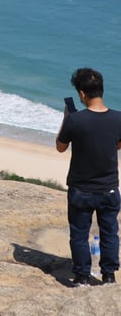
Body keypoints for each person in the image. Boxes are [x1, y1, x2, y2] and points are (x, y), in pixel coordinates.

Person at [56, 67, 121, 286]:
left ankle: (83, 276)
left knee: (79, 234)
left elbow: (60, 147)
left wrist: (66, 120)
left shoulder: (76, 121)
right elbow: (118, 145)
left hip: (81, 189)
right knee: (110, 232)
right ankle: (109, 275)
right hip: (109, 188)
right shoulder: (118, 118)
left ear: (82, 94)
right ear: (101, 90)